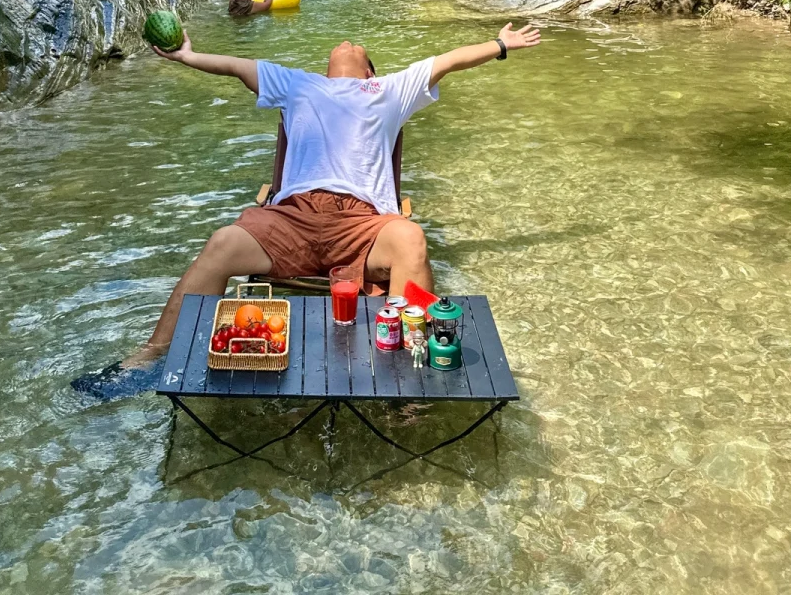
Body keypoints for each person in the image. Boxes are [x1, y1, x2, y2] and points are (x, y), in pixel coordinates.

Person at [72, 20, 542, 399]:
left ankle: (405, 371)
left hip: (363, 224)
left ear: (369, 73)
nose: (347, 41)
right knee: (223, 243)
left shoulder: (390, 90)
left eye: (358, 47)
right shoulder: (298, 84)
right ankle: (151, 356)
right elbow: (235, 67)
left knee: (411, 239)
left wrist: (501, 45)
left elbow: (450, 61)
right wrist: (187, 57)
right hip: (291, 219)